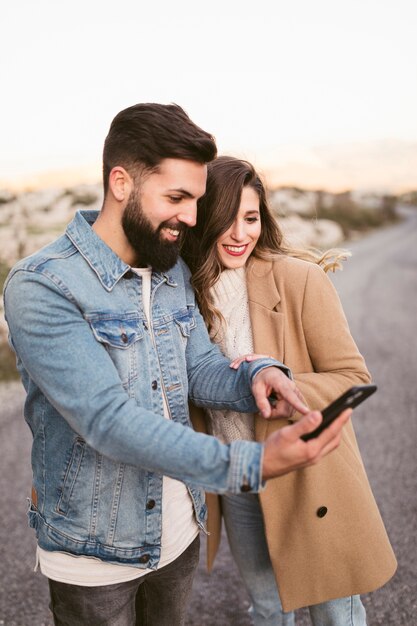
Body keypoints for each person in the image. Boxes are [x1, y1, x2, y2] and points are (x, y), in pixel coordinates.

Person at [3, 104, 351, 626]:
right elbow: (107, 420)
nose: (191, 218)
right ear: (121, 182)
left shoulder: (169, 271)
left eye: (195, 200)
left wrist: (256, 376)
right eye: (177, 198)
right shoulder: (43, 285)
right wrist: (250, 464)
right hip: (95, 551)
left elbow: (200, 367)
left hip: (179, 534)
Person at [182, 156, 397, 626]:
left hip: (303, 475)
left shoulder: (300, 280)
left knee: (334, 610)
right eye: (226, 219)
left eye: (251, 218)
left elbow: (353, 378)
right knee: (267, 608)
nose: (240, 233)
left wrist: (280, 380)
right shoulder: (184, 296)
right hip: (237, 476)